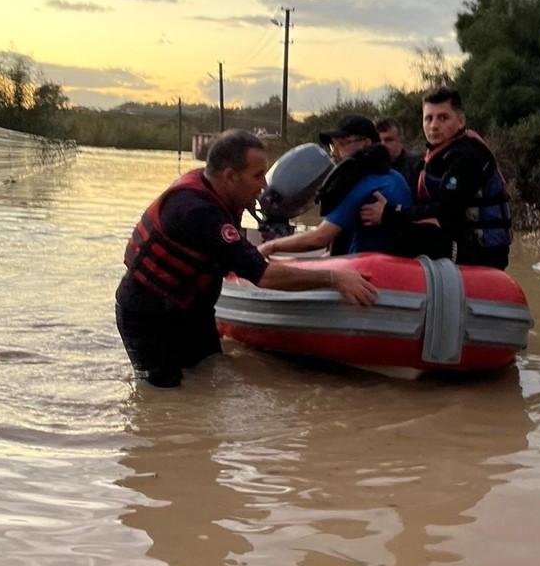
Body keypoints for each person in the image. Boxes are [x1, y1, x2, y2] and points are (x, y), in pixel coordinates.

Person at [115, 129, 376, 388]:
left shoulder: (218, 193)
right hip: (149, 316)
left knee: (208, 382)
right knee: (164, 394)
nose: (264, 185)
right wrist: (333, 278)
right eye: (257, 175)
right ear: (230, 176)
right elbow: (264, 276)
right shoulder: (195, 211)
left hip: (193, 311)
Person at [360, 87, 512, 269]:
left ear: (460, 121)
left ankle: (377, 273)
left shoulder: (469, 157)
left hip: (484, 253)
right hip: (459, 238)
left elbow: (444, 211)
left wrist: (389, 213)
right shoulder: (435, 157)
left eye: (443, 118)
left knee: (404, 236)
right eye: (428, 118)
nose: (433, 126)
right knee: (394, 227)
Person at [258, 113, 412, 260]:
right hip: (391, 265)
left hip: (369, 270)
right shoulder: (394, 177)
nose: (334, 153)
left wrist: (270, 246)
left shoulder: (364, 184)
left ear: (366, 143)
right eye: (333, 146)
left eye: (342, 144)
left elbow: (320, 238)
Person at [375, 117, 423, 194]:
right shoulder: (371, 170)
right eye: (378, 141)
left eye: (388, 140)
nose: (382, 145)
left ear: (401, 141)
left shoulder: (418, 165)